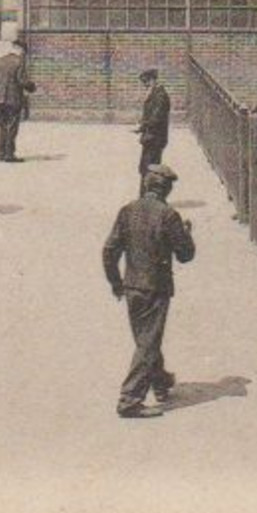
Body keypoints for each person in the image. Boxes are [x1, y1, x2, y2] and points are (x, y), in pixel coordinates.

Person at [102, 164, 195, 419]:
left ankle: (161, 382)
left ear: (146, 185)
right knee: (148, 342)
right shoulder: (169, 215)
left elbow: (109, 250)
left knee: (146, 338)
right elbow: (186, 255)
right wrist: (186, 233)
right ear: (167, 189)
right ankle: (129, 400)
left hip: (132, 286)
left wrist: (116, 283)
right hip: (156, 287)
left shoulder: (127, 210)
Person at [0, 37, 36, 162]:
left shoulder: (0, 60)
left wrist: (0, 89)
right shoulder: (19, 62)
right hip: (13, 99)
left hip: (0, 99)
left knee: (2, 126)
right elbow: (22, 80)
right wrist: (31, 87)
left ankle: (1, 153)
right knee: (12, 127)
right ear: (20, 49)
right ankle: (9, 154)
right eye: (24, 51)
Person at [136, 68, 171, 180]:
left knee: (150, 169)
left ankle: (148, 195)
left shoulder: (160, 96)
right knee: (145, 168)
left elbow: (156, 118)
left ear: (153, 80)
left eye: (146, 82)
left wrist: (144, 125)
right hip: (150, 137)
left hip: (155, 138)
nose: (145, 86)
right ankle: (145, 195)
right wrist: (142, 127)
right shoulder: (155, 94)